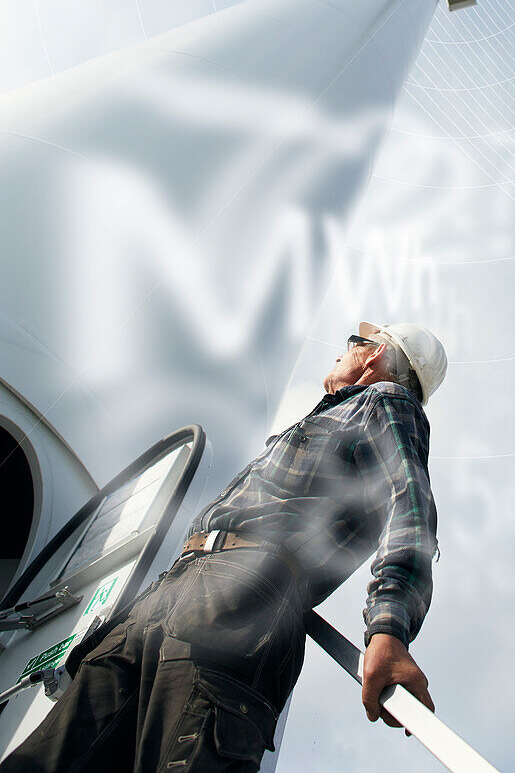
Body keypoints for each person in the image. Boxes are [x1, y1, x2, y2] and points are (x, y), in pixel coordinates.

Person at [1, 320, 447, 772]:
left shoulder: (387, 405)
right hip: (171, 594)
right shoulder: (325, 419)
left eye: (354, 343)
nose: (341, 350)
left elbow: (409, 510)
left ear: (374, 356)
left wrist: (389, 630)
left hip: (244, 606)